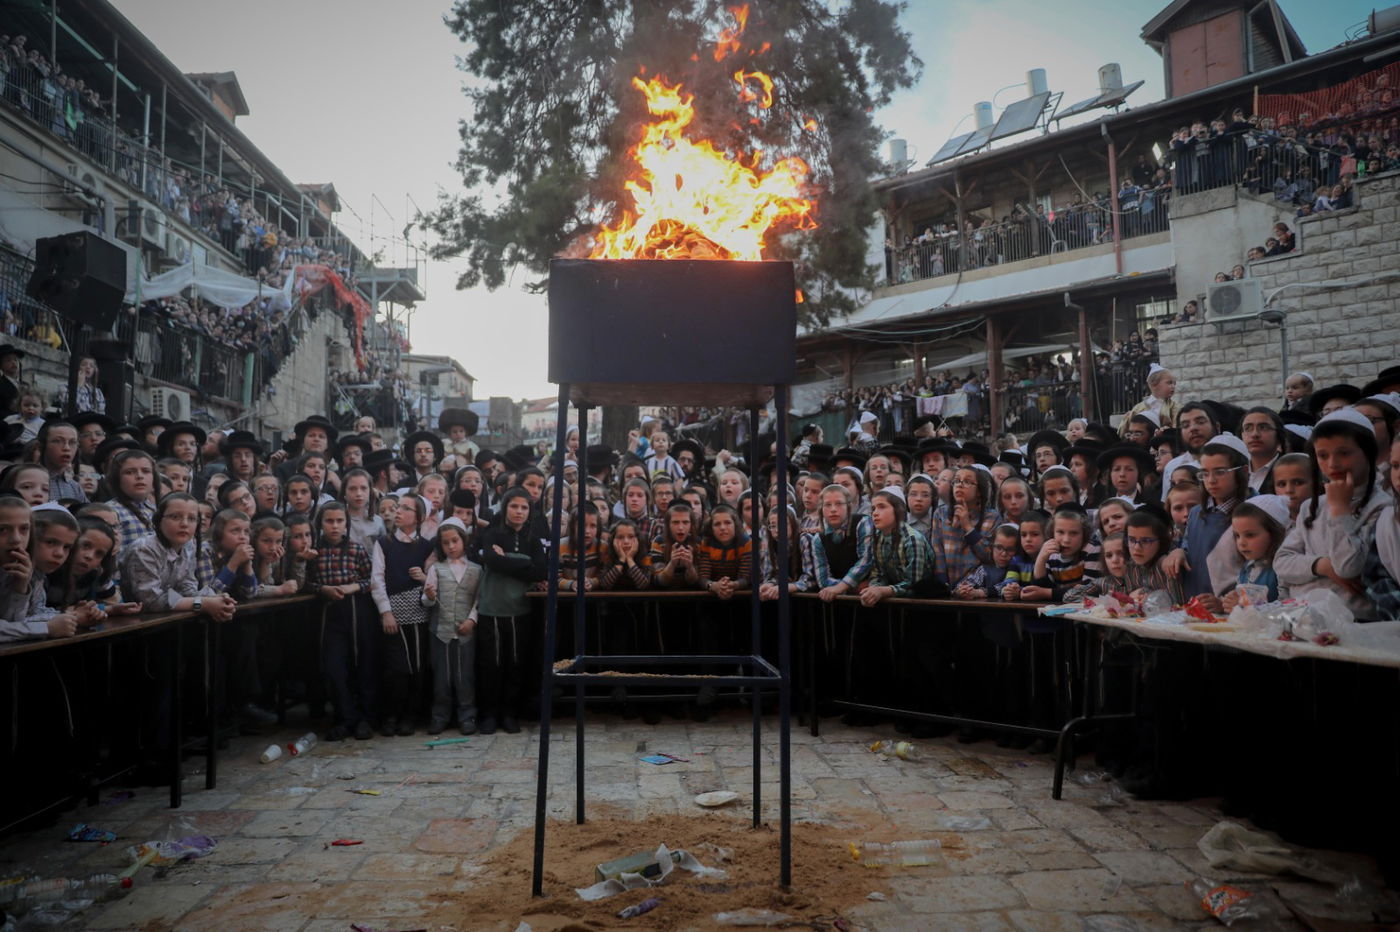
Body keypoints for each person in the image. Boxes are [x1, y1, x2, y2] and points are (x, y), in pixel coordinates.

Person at [1276, 409, 1389, 620]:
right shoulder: (1311, 506)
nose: (1333, 464)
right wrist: (1322, 565)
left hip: (1356, 623)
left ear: (1368, 453)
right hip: (1303, 618)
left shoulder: (1382, 507)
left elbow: (1348, 568)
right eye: (1323, 455)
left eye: (1344, 453)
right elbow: (1282, 562)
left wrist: (1340, 511)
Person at [473, 486, 546, 735]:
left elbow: (540, 570)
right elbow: (492, 561)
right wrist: (523, 562)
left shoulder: (532, 540)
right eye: (514, 506)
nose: (519, 511)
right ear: (505, 508)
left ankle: (509, 713)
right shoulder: (491, 534)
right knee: (490, 665)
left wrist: (511, 559)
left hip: (519, 610)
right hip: (491, 608)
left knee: (515, 664)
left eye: (524, 507)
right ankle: (489, 715)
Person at [309, 501, 376, 741]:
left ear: (346, 524)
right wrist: (323, 589)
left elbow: (372, 580)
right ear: (320, 524)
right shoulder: (314, 552)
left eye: (339, 521)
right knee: (334, 668)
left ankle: (364, 719)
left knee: (362, 665)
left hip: (357, 610)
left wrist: (353, 586)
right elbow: (307, 583)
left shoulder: (357, 550)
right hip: (330, 612)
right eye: (329, 521)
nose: (335, 526)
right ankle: (344, 717)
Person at [371, 494, 435, 737]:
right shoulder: (384, 543)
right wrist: (386, 612)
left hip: (419, 613)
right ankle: (391, 715)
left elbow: (432, 580)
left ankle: (410, 715)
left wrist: (423, 578)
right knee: (395, 668)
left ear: (418, 517)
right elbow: (377, 579)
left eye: (406, 508)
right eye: (398, 507)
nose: (398, 511)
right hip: (393, 614)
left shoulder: (426, 547)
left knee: (417, 667)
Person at [423, 517, 480, 735]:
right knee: (442, 676)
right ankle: (440, 716)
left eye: (455, 541)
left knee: (464, 675)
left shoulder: (476, 570)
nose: (451, 546)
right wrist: (429, 595)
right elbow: (427, 601)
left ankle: (467, 715)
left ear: (463, 540)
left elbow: (478, 599)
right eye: (446, 543)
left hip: (465, 631)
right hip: (441, 631)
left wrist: (471, 620)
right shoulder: (436, 569)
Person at [1221, 496, 1291, 609]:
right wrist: (1224, 603)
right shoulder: (1247, 568)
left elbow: (1289, 608)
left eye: (1250, 535)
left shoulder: (1281, 570)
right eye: (1237, 536)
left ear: (1274, 534)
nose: (1241, 543)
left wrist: (1246, 606)